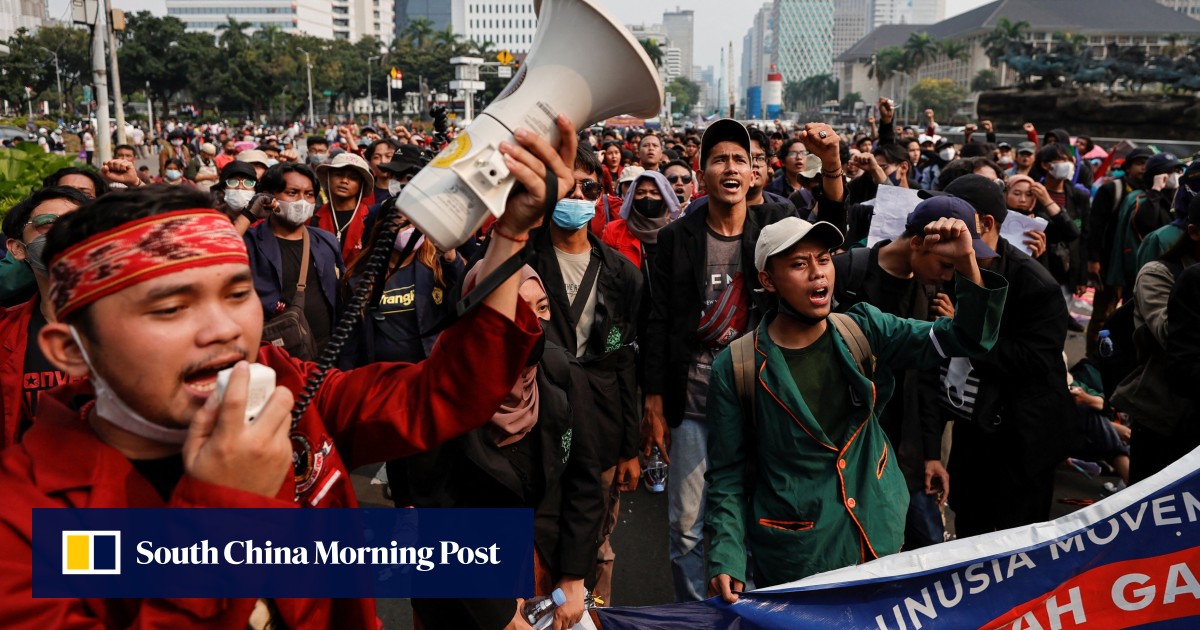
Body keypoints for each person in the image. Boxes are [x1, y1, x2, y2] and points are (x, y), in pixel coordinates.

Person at [0, 116, 576, 629]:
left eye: (236, 293)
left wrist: (509, 234)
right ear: (70, 350)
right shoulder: (25, 524)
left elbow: (445, 394)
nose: (222, 329)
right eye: (170, 308)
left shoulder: (288, 389)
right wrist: (225, 507)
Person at [706, 204, 1007, 596]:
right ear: (769, 279)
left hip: (879, 528)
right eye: (799, 264)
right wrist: (726, 554)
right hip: (800, 557)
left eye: (825, 259)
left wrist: (967, 261)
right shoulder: (738, 367)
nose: (818, 272)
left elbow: (966, 338)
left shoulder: (863, 327)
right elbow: (726, 476)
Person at [642, 119, 842, 602]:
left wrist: (832, 164)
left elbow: (837, 225)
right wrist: (652, 403)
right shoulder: (676, 238)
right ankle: (698, 614)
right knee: (686, 529)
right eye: (719, 160)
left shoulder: (774, 231)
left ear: (754, 173)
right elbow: (656, 321)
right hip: (692, 405)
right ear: (701, 172)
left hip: (761, 402)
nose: (730, 168)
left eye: (740, 159)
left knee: (758, 517)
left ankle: (748, 611)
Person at [406, 265, 602, 630]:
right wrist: (499, 612)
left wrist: (574, 577)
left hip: (544, 571)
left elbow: (584, 481)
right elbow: (436, 519)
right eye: (514, 311)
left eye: (541, 309)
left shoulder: (561, 372)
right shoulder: (436, 393)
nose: (532, 325)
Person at [519, 146, 643, 606]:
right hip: (536, 417)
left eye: (588, 188)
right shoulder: (520, 262)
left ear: (600, 196)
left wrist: (630, 447)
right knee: (537, 527)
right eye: (566, 186)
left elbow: (626, 360)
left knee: (596, 531)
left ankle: (591, 607)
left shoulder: (623, 274)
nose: (577, 195)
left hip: (604, 417)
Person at [933, 175, 1077, 537]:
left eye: (953, 220)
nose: (942, 227)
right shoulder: (944, 269)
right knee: (969, 530)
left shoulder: (1034, 284)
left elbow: (1034, 359)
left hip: (1022, 436)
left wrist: (963, 329)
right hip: (972, 426)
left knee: (1019, 540)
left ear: (984, 224)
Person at [0, 186, 90, 448]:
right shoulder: (6, 332)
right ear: (18, 249)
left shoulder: (134, 324)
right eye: (47, 223)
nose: (64, 232)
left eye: (76, 222)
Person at [236, 163, 343, 356]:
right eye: (292, 193)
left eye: (309, 194)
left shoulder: (325, 240)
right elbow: (222, 259)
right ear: (269, 196)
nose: (302, 201)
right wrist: (248, 216)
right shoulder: (249, 241)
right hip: (278, 354)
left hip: (327, 351)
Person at [1087, 147, 1154, 355]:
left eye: (1147, 163)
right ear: (1128, 167)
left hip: (1133, 264)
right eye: (1139, 163)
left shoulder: (1150, 194)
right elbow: (1095, 226)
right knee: (1102, 314)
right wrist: (1093, 259)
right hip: (1108, 262)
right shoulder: (1112, 190)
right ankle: (1093, 356)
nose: (1144, 167)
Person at [602, 170, 679, 272]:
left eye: (655, 193)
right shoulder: (614, 230)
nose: (647, 197)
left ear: (664, 198)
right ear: (632, 197)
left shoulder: (677, 231)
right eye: (640, 193)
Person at [314, 152, 374, 266]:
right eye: (338, 174)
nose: (344, 181)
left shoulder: (371, 218)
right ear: (329, 178)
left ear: (361, 184)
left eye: (353, 177)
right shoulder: (312, 218)